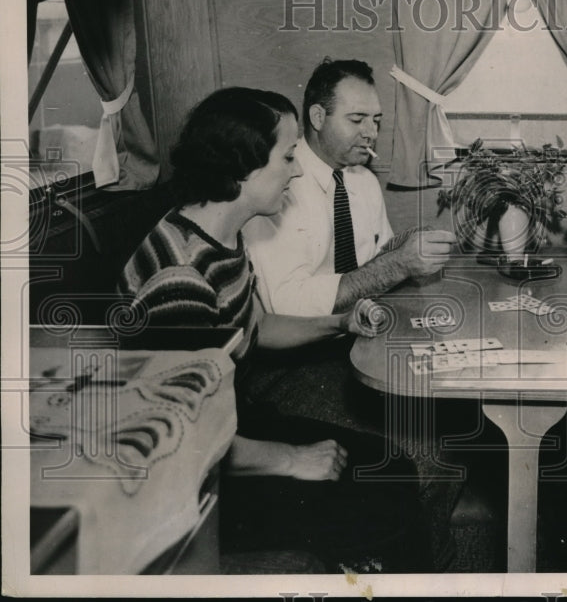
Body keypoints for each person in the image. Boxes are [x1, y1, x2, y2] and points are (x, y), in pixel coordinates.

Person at [117, 87, 430, 573]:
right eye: (287, 157)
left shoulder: (220, 232)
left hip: (231, 422)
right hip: (194, 473)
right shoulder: (178, 283)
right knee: (379, 500)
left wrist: (341, 322)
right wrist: (290, 459)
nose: (299, 169)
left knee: (389, 467)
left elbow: (257, 327)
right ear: (243, 167)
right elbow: (184, 442)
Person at [243, 58, 456, 315]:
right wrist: (398, 264)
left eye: (376, 120)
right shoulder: (275, 187)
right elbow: (287, 305)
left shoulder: (363, 180)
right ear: (318, 117)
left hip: (365, 322)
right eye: (357, 120)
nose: (372, 133)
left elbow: (378, 261)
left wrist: (407, 245)